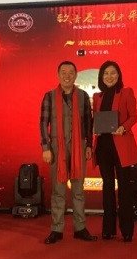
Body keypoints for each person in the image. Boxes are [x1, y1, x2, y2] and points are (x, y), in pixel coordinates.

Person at [40, 61, 97, 244]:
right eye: (63, 72)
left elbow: (89, 123)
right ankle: (56, 229)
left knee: (78, 190)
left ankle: (80, 228)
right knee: (58, 191)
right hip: (56, 148)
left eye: (71, 72)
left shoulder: (82, 96)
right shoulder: (49, 96)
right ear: (58, 75)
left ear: (76, 75)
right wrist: (46, 148)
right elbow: (43, 123)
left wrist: (89, 146)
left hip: (79, 147)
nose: (67, 75)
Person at [93, 61, 137, 242]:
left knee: (124, 188)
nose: (109, 76)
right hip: (103, 147)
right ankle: (108, 229)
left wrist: (123, 128)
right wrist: (95, 128)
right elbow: (96, 118)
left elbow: (134, 116)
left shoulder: (126, 92)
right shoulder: (97, 96)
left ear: (118, 75)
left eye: (113, 73)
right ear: (101, 77)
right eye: (106, 73)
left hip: (122, 146)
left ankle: (127, 230)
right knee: (107, 188)